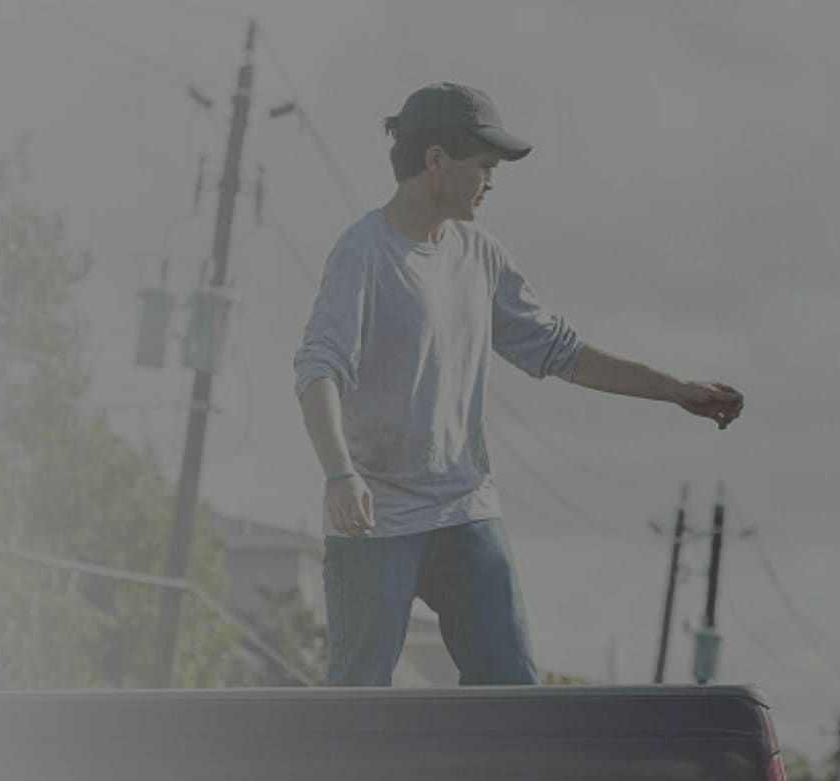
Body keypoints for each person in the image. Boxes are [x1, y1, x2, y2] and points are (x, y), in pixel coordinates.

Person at [294, 83, 744, 686]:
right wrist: (339, 475)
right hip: (375, 517)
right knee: (359, 698)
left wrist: (678, 389)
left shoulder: (480, 256)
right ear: (435, 161)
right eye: (483, 166)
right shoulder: (364, 254)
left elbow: (561, 350)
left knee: (512, 693)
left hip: (464, 511)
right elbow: (318, 369)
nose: (491, 181)